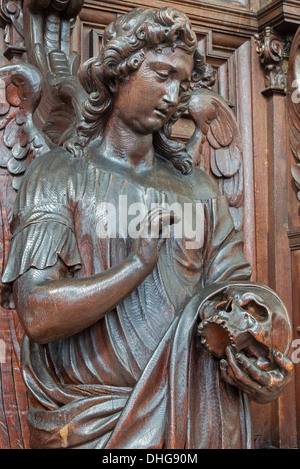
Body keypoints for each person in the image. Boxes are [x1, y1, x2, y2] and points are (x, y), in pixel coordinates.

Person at [1, 7, 293, 449]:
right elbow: (37, 312)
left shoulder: (197, 189)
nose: (174, 94)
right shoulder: (58, 174)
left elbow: (236, 301)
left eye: (182, 81)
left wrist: (258, 363)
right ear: (120, 73)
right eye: (162, 74)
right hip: (91, 424)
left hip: (195, 417)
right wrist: (137, 265)